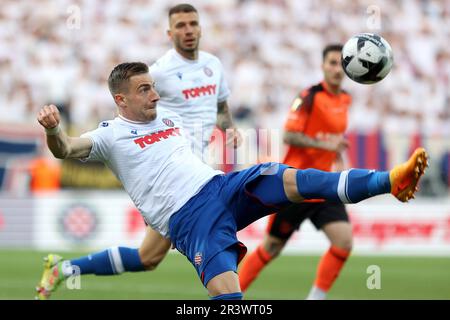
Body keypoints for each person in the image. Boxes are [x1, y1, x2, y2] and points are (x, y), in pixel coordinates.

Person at [36, 61, 427, 299]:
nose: (155, 94)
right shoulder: (108, 135)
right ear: (121, 100)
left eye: (154, 86)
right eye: (144, 90)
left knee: (291, 179)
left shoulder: (170, 118)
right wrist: (54, 131)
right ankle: (66, 269)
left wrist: (226, 124)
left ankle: (389, 180)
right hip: (189, 219)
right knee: (212, 287)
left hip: (221, 187)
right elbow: (66, 148)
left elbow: (209, 111)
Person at [35, 4, 241, 300]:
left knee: (149, 257)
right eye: (180, 26)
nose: (188, 31)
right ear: (170, 33)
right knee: (190, 244)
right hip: (174, 176)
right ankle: (230, 293)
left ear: (200, 28)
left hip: (198, 170)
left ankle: (65, 269)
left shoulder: (214, 65)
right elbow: (130, 112)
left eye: (192, 24)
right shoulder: (159, 71)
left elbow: (220, 106)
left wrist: (229, 127)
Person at [238, 44, 353, 299]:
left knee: (344, 241)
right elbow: (289, 135)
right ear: (323, 66)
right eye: (331, 63)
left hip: (325, 185)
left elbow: (333, 138)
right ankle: (230, 297)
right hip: (297, 184)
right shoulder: (309, 96)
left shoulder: (345, 99)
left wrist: (337, 156)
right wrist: (326, 145)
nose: (336, 69)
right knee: (271, 247)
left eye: (340, 64)